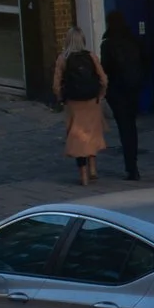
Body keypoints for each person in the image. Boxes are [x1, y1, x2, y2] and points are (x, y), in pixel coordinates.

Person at [99, 6, 150, 182]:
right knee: (131, 126)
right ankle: (133, 165)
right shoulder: (134, 41)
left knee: (124, 127)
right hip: (133, 89)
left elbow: (105, 69)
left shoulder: (108, 44)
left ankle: (131, 167)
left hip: (117, 91)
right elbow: (146, 61)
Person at [54, 23, 107, 186]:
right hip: (91, 101)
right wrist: (100, 94)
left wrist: (61, 98)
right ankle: (93, 168)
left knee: (77, 137)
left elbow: (56, 85)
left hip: (73, 103)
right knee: (91, 134)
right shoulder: (91, 56)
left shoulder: (63, 59)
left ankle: (83, 175)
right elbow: (103, 79)